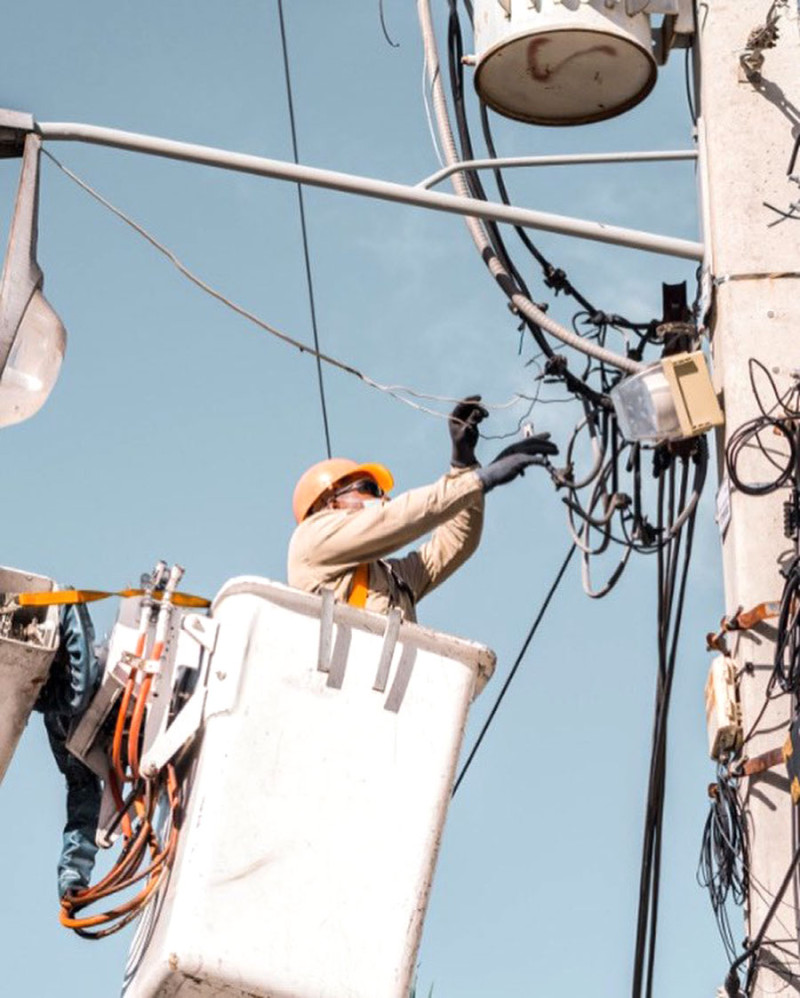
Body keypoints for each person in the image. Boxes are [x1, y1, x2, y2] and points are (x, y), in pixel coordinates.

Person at [288, 397, 557, 621]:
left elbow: (454, 543)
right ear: (329, 504)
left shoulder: (393, 578)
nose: (383, 499)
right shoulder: (310, 541)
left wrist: (464, 468)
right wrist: (480, 480)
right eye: (369, 489)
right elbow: (394, 519)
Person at [33, 601, 102, 898]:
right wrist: (73, 873)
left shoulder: (84, 680)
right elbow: (83, 792)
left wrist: (64, 606)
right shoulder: (57, 717)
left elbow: (81, 685)